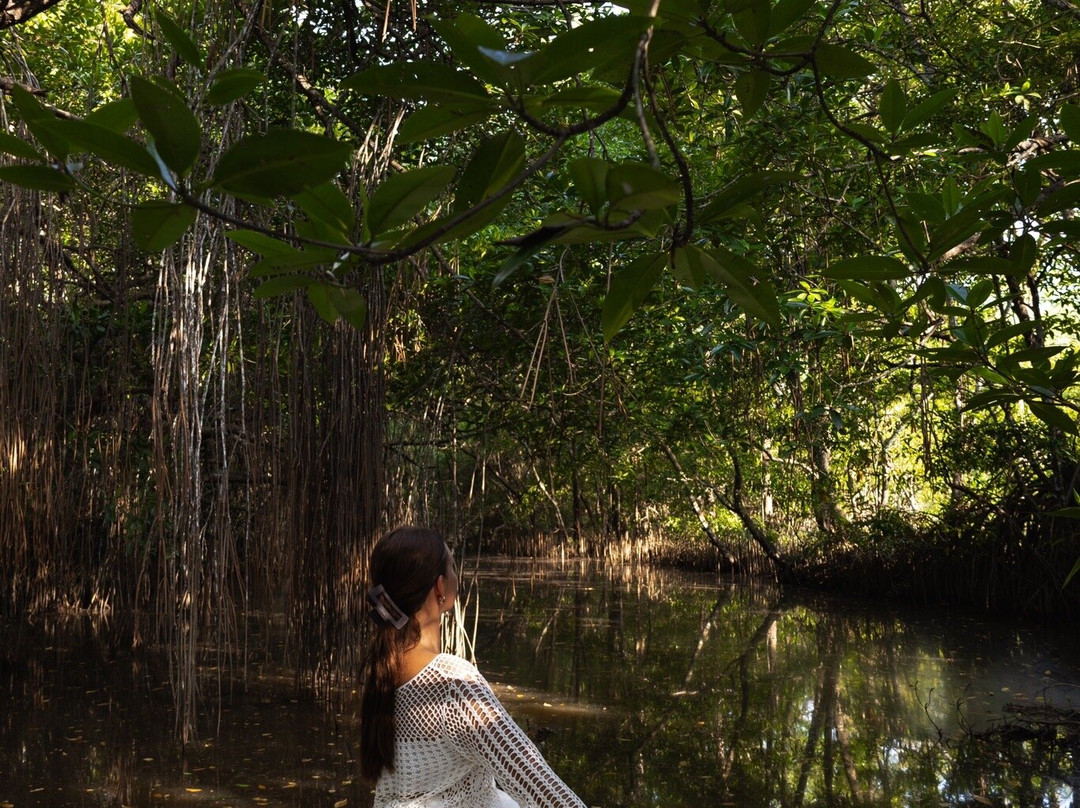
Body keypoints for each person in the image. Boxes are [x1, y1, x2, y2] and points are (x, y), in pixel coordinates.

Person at [360, 526, 589, 808]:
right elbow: (540, 786)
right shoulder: (453, 682)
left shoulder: (383, 671)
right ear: (440, 587)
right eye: (453, 566)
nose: (457, 574)